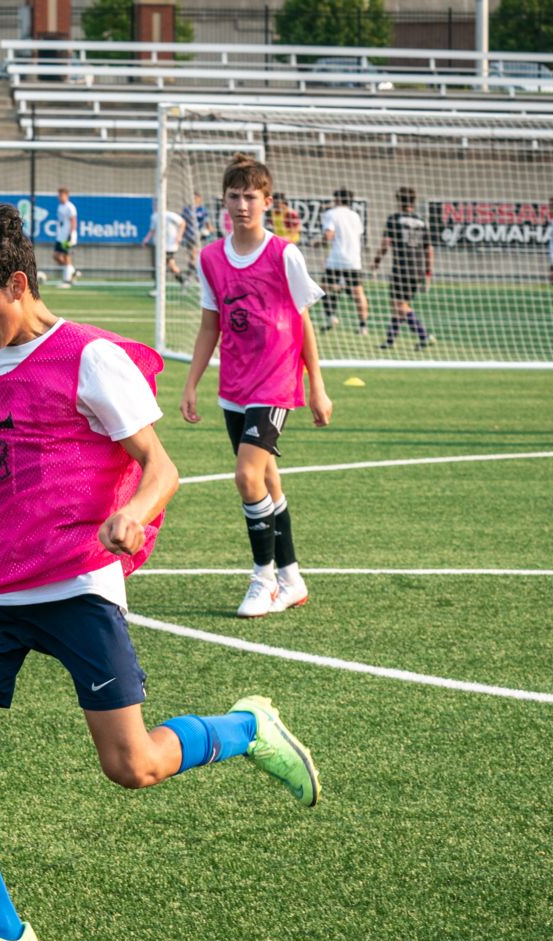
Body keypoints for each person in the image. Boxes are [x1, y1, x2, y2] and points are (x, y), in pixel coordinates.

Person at [0, 201, 321, 941]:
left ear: (17, 283)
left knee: (133, 766)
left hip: (76, 581)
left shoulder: (90, 358)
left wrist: (134, 511)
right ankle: (3, 932)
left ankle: (247, 729)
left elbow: (163, 468)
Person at [183, 154, 333, 620]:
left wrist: (317, 387)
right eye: (234, 196)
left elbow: (304, 322)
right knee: (266, 479)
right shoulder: (211, 257)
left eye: (251, 197)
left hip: (276, 381)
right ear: (224, 201)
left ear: (267, 202)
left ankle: (262, 579)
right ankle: (291, 578)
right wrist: (191, 383)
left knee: (247, 477)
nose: (242, 205)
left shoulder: (284, 254)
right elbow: (211, 325)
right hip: (234, 384)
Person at [369, 186, 434, 351]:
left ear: (399, 201)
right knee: (398, 305)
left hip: (402, 267)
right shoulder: (421, 221)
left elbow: (386, 243)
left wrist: (376, 261)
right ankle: (390, 340)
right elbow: (429, 248)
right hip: (418, 268)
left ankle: (423, 335)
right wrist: (428, 271)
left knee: (400, 306)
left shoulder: (394, 219)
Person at [318, 187, 367, 334]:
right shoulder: (355, 216)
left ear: (337, 199)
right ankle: (363, 326)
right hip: (354, 260)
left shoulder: (331, 214)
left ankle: (331, 316)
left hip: (336, 259)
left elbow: (329, 235)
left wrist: (318, 242)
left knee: (324, 288)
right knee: (358, 293)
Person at [142, 205, 188, 296]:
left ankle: (159, 288)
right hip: (159, 245)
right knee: (168, 265)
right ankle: (182, 281)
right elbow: (152, 230)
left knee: (166, 265)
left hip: (170, 245)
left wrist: (179, 236)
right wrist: (146, 239)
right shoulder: (154, 216)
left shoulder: (170, 215)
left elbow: (182, 223)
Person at [53, 186, 80, 287]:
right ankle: (73, 271)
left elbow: (73, 221)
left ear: (67, 195)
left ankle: (67, 281)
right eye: (59, 195)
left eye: (62, 195)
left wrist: (72, 234)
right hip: (60, 236)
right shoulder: (60, 206)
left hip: (68, 236)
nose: (60, 197)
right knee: (56, 256)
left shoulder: (70, 207)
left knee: (67, 257)